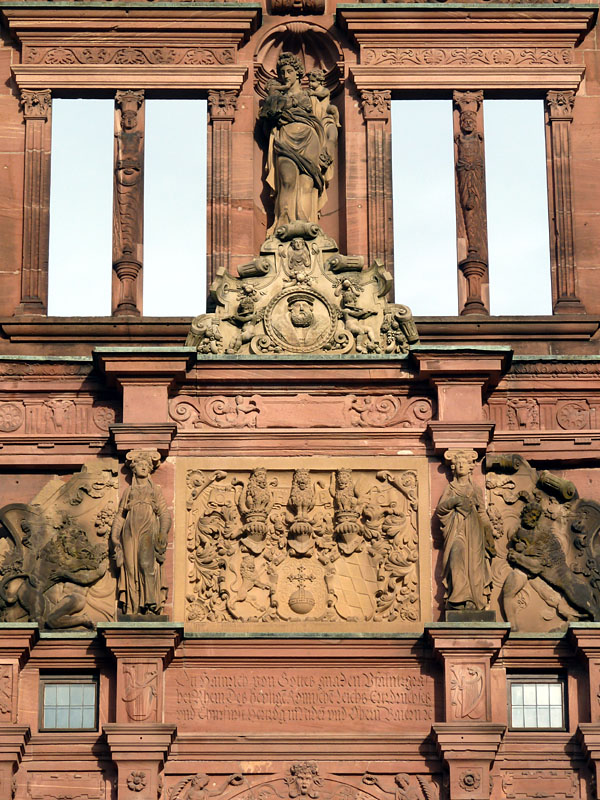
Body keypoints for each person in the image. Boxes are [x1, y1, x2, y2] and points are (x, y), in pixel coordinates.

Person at [260, 53, 334, 232]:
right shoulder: (276, 97)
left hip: (310, 137)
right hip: (285, 137)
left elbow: (328, 122)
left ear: (298, 74)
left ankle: (307, 224)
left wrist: (328, 146)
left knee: (308, 182)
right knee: (287, 181)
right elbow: (265, 123)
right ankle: (284, 225)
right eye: (282, 72)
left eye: (289, 71)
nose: (286, 75)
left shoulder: (313, 97)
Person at [111, 449, 171, 616]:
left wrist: (163, 533)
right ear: (134, 469)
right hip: (129, 533)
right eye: (140, 465)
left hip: (148, 530)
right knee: (130, 568)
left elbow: (165, 514)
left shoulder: (155, 490)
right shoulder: (128, 492)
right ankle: (133, 607)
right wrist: (115, 537)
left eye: (147, 465)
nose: (144, 467)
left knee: (146, 565)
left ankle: (150, 604)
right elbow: (120, 517)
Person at [436, 449, 495, 611]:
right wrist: (455, 501)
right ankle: (457, 599)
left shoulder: (476, 489)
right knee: (456, 556)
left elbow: (482, 513)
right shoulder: (451, 488)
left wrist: (488, 533)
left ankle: (472, 602)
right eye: (459, 463)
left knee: (475, 567)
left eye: (464, 463)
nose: (461, 465)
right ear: (454, 467)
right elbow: (441, 510)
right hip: (457, 530)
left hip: (475, 533)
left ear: (470, 467)